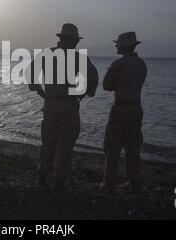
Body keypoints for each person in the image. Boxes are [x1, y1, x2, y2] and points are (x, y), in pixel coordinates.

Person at [29, 23, 99, 191]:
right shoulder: (79, 58)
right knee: (66, 144)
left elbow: (31, 76)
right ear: (74, 41)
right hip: (69, 104)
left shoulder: (46, 54)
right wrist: (84, 93)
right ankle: (59, 180)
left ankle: (42, 176)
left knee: (48, 142)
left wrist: (42, 92)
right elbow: (93, 79)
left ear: (61, 38)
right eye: (76, 41)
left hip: (51, 104)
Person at [101, 32, 147, 194]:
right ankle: (133, 182)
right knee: (133, 146)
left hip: (120, 108)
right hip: (136, 109)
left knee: (112, 146)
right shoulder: (142, 64)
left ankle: (109, 184)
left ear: (123, 46)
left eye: (117, 44)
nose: (116, 46)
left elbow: (106, 86)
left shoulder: (118, 64)